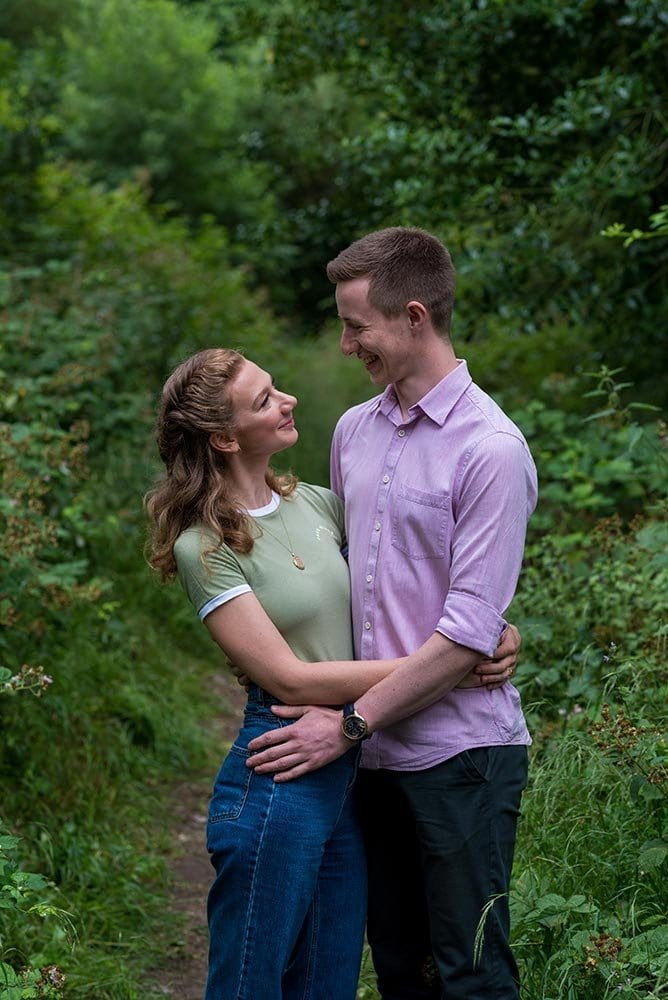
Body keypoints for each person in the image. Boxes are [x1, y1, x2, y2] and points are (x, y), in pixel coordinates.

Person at [144, 346, 521, 1000]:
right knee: (249, 984)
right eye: (265, 400)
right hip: (283, 758)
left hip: (350, 767)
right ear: (226, 438)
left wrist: (492, 628)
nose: (287, 401)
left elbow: (403, 576)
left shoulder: (316, 504)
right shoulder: (202, 546)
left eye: (276, 387)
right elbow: (289, 679)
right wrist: (452, 665)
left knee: (328, 983)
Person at [246, 227, 538, 1000]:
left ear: (414, 316)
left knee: (470, 975)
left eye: (356, 327)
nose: (347, 346)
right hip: (372, 761)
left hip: (460, 757)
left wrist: (347, 723)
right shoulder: (353, 431)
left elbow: (467, 627)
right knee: (401, 970)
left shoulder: (491, 449)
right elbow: (344, 578)